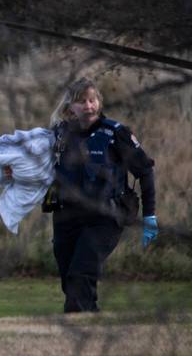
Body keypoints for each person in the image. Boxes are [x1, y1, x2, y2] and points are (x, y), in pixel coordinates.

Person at [41, 77, 157, 313]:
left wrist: (150, 215)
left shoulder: (116, 134)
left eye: (92, 100)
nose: (88, 106)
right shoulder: (59, 134)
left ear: (99, 102)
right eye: (81, 101)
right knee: (69, 278)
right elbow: (39, 167)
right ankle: (88, 317)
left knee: (80, 275)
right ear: (70, 107)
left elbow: (145, 171)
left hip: (105, 217)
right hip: (66, 217)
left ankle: (78, 322)